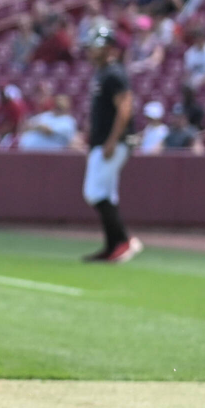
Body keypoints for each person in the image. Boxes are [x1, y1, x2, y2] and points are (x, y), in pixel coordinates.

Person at [81, 26, 142, 263]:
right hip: (103, 142)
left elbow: (125, 108)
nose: (90, 51)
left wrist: (111, 141)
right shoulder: (103, 73)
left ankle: (124, 241)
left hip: (113, 143)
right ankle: (111, 247)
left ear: (108, 48)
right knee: (106, 194)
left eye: (95, 46)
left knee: (94, 193)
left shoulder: (114, 73)